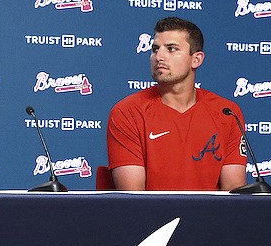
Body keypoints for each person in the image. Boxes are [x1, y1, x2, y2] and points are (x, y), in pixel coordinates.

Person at [106, 17, 247, 191]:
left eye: (171, 49)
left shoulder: (227, 113)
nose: (159, 57)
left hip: (210, 217)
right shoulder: (128, 112)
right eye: (155, 49)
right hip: (152, 217)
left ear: (196, 59)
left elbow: (233, 192)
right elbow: (133, 197)